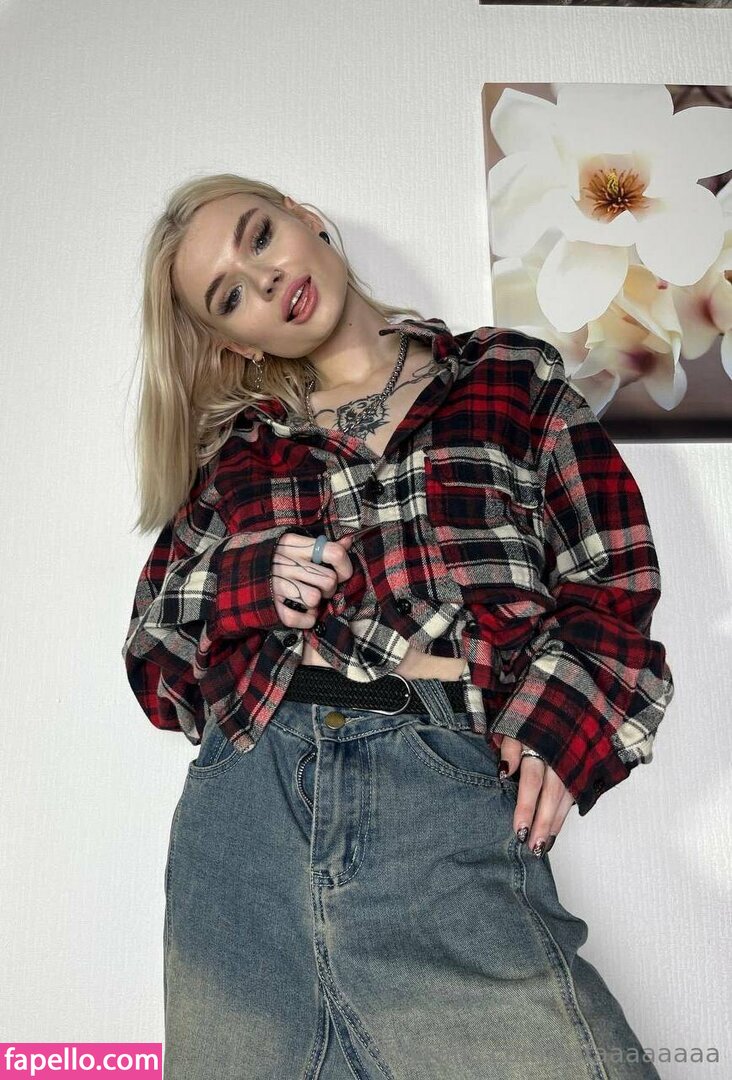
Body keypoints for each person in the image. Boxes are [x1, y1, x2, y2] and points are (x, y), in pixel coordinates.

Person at [121, 173, 675, 1080]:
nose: (266, 279)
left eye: (259, 238)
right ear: (234, 341)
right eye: (230, 295)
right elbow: (156, 668)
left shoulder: (509, 377)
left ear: (304, 220)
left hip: (444, 798)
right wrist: (250, 578)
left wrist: (557, 724)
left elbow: (613, 577)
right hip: (249, 820)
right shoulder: (239, 456)